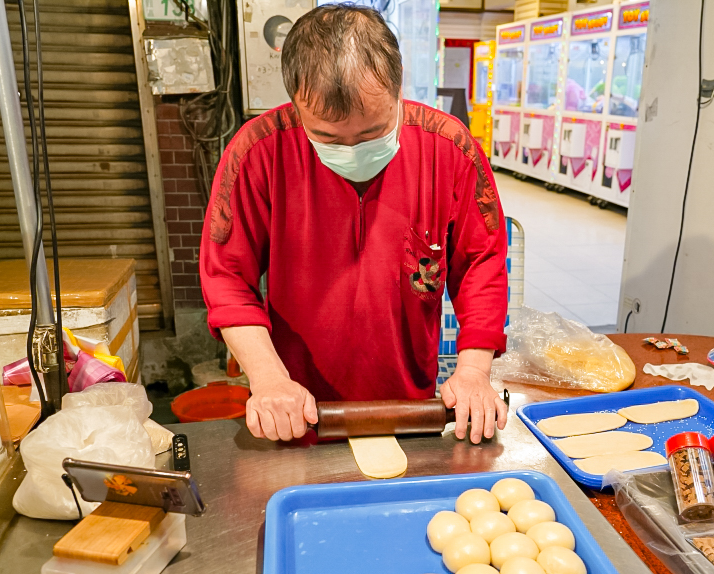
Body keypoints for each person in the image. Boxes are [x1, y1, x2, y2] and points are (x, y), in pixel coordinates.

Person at [200, 4, 509, 444]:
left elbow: (482, 265)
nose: (351, 150)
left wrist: (474, 372)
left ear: (398, 88)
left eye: (372, 134)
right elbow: (227, 276)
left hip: (411, 406)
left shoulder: (449, 149)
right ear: (295, 101)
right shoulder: (257, 154)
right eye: (327, 137)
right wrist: (268, 379)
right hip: (297, 405)